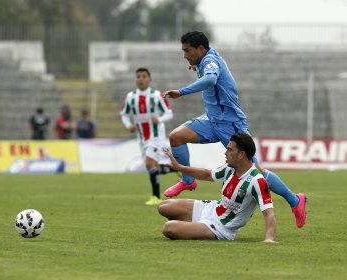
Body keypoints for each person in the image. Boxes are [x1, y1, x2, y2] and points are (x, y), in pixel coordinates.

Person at [161, 31, 306, 228]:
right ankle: (188, 181)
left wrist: (181, 91)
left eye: (187, 51)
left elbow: (211, 80)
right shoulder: (204, 60)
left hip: (231, 122)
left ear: (201, 49)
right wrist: (196, 66)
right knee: (176, 137)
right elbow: (209, 75)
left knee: (256, 171)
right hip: (212, 120)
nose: (184, 55)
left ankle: (295, 200)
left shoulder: (210, 60)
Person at [158, 133, 276, 242]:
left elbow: (269, 213)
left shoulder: (257, 180)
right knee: (163, 206)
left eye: (229, 149)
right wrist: (180, 167)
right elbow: (207, 174)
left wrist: (269, 239)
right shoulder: (230, 168)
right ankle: (193, 227)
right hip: (212, 208)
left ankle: (193, 228)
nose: (225, 153)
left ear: (241, 154)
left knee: (168, 228)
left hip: (221, 227)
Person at [120, 67, 175, 205]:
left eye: (144, 76)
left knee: (149, 164)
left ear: (149, 79)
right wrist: (128, 125)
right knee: (153, 167)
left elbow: (169, 113)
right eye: (138, 76)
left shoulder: (156, 95)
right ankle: (175, 168)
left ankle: (156, 197)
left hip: (156, 135)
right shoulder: (130, 97)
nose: (141, 79)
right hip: (141, 136)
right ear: (135, 79)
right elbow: (124, 114)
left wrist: (160, 119)